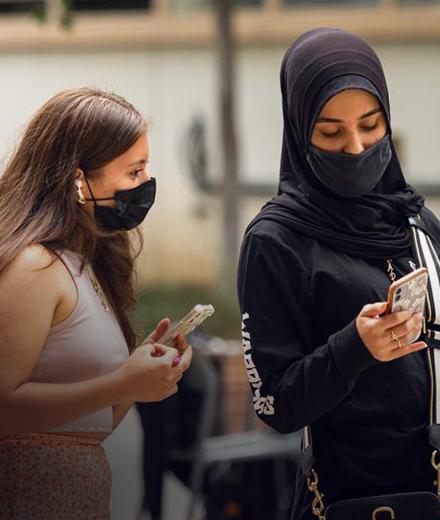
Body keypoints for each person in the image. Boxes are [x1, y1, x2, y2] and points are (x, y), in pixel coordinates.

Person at [237, 28, 440, 520]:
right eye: (331, 132)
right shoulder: (276, 241)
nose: (355, 147)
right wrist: (354, 349)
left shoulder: (412, 216)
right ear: (299, 127)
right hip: (364, 499)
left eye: (371, 125)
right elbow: (275, 404)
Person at [0, 87, 192, 520]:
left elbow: (90, 423)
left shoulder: (87, 263)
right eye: (134, 171)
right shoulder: (35, 266)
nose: (146, 186)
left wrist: (140, 374)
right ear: (78, 179)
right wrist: (122, 383)